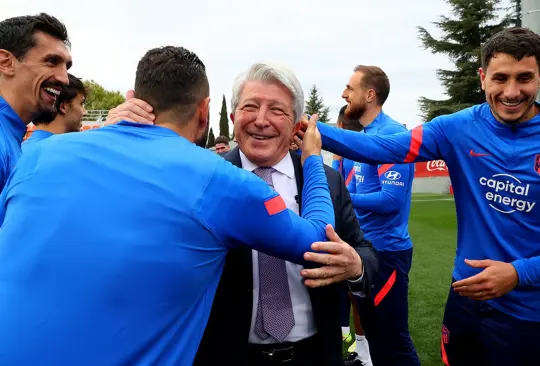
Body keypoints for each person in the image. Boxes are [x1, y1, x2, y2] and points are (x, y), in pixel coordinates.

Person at [0, 46, 335, 366]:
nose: (262, 120)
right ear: (206, 111)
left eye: (276, 110)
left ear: (133, 98)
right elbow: (318, 239)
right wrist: (313, 160)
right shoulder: (220, 180)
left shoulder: (35, 154)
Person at [296, 27, 540, 366]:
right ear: (483, 78)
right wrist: (307, 127)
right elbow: (382, 147)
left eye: (524, 78)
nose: (512, 92)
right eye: (500, 78)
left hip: (528, 311)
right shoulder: (456, 129)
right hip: (465, 299)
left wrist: (518, 273)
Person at [109, 62, 378, 366]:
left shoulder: (326, 181)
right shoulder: (201, 177)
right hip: (226, 354)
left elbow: (365, 252)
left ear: (295, 125)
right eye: (251, 107)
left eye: (277, 110)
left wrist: (355, 266)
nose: (261, 120)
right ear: (234, 117)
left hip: (314, 354)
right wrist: (124, 137)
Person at [340, 66, 418, 366]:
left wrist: (345, 199)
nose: (344, 94)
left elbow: (391, 200)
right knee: (373, 334)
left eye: (350, 87)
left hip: (387, 252)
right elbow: (353, 186)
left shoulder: (393, 135)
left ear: (369, 95)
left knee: (393, 340)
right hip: (364, 250)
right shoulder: (365, 135)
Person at [0, 13, 71, 191]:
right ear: (6, 62)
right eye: (51, 61)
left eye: (66, 67)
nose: (65, 79)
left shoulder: (10, 133)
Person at [331, 106, 371, 366]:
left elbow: (344, 191)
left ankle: (365, 355)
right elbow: (344, 187)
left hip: (369, 239)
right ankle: (347, 341)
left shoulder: (361, 154)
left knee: (360, 296)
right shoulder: (345, 156)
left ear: (342, 128)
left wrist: (341, 196)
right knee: (343, 292)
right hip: (351, 230)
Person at [23, 73, 87, 154]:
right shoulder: (64, 153)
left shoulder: (20, 150)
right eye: (81, 104)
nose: (85, 112)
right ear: (63, 107)